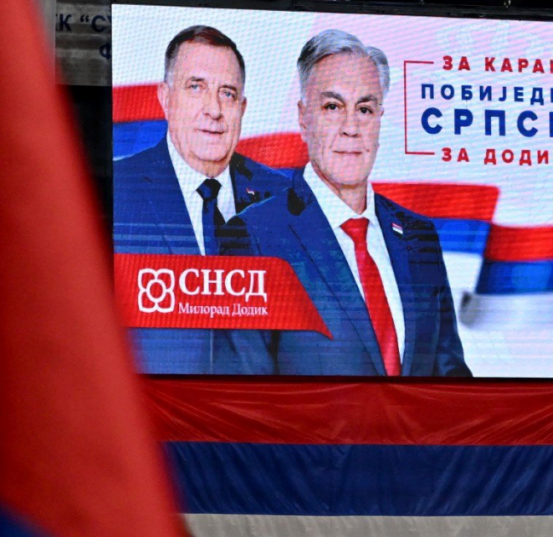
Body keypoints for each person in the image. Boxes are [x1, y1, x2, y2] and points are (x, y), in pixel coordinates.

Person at [216, 29, 469, 377]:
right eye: (333, 107)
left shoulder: (419, 237)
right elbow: (246, 394)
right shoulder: (254, 237)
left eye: (364, 108)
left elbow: (452, 383)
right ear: (304, 118)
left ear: (379, 119)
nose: (351, 128)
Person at [113, 26, 289, 373]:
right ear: (165, 97)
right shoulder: (118, 190)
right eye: (196, 87)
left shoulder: (285, 198)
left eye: (227, 93)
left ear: (242, 107)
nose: (214, 109)